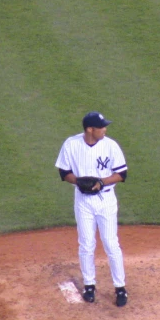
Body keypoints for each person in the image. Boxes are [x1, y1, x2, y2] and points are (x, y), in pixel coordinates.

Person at [55, 111, 129, 307]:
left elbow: (122, 174)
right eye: (101, 126)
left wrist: (100, 183)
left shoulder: (111, 145)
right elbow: (64, 172)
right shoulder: (72, 144)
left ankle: (120, 288)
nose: (105, 129)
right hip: (83, 202)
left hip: (105, 201)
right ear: (90, 129)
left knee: (111, 243)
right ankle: (89, 285)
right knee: (86, 244)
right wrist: (79, 181)